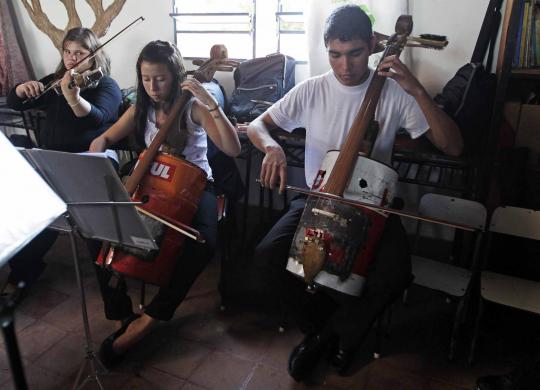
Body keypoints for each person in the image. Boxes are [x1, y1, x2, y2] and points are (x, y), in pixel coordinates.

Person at [246, 5, 463, 382]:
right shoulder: (313, 89)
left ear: (373, 47)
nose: (344, 66)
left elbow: (453, 146)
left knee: (395, 274)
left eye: (355, 53)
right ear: (327, 49)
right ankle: (325, 331)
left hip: (370, 207)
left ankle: (337, 335)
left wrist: (415, 89)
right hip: (317, 199)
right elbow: (256, 126)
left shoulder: (394, 93)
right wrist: (272, 147)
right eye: (335, 54)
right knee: (267, 258)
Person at [88, 40, 241, 367]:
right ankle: (121, 315)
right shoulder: (140, 107)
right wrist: (100, 157)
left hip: (194, 183)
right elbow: (103, 138)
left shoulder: (193, 107)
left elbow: (232, 148)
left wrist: (210, 103)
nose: (153, 87)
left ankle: (153, 317)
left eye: (160, 78)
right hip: (149, 183)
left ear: (175, 75)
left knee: (203, 243)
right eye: (145, 78)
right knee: (95, 229)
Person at [5, 27, 122, 294]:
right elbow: (16, 104)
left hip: (88, 161)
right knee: (27, 212)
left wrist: (74, 98)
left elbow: (97, 117)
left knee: (91, 221)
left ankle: (112, 284)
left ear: (93, 55)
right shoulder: (57, 81)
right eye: (67, 52)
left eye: (79, 53)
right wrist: (21, 90)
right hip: (50, 160)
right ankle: (25, 269)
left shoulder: (106, 85)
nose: (71, 58)